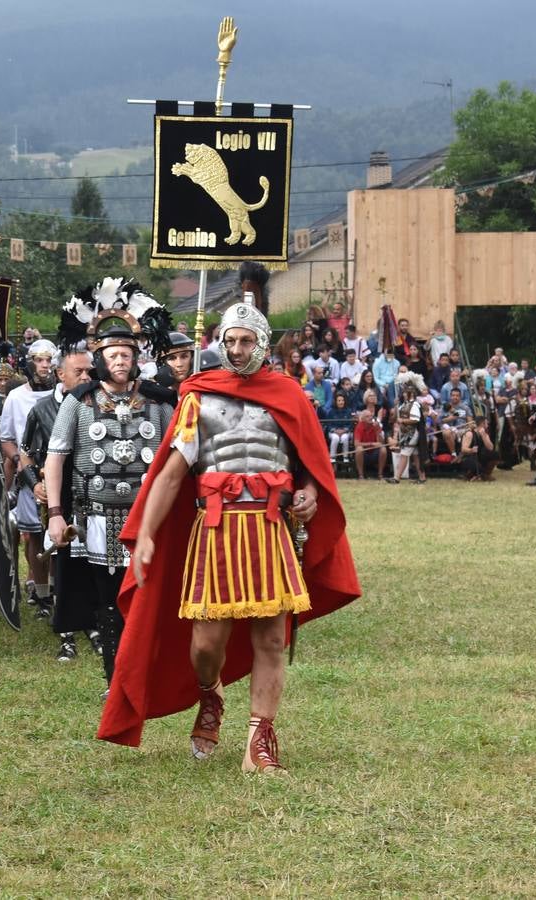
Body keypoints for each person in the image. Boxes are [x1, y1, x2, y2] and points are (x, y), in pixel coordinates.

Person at [101, 296, 360, 774]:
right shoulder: (199, 396)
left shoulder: (289, 395)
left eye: (246, 341)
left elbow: (310, 469)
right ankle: (210, 694)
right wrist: (150, 534)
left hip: (270, 527)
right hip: (217, 531)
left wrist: (308, 495)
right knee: (205, 645)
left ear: (262, 343)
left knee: (270, 639)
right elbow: (171, 474)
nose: (237, 350)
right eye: (230, 341)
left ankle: (260, 740)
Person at [46, 280, 174, 691]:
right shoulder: (77, 401)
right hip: (97, 517)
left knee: (147, 595)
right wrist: (54, 513)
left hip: (148, 515)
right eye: (113, 354)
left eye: (127, 354)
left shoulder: (159, 401)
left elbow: (181, 458)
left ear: (137, 358)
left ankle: (146, 671)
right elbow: (56, 459)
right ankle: (116, 676)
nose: (120, 360)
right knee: (107, 597)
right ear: (98, 359)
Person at [23, 347, 93, 661]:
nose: (86, 376)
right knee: (61, 561)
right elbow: (24, 453)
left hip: (90, 493)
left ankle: (92, 623)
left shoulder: (97, 403)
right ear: (60, 374)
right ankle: (65, 631)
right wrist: (34, 484)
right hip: (56, 496)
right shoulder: (41, 410)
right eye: (78, 371)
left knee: (92, 561)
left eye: (89, 371)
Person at [0, 339, 58, 616]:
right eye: (39, 360)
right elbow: (8, 440)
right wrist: (21, 464)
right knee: (34, 535)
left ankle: (61, 589)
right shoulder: (16, 398)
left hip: (59, 472)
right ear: (29, 362)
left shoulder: (64, 395)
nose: (45, 365)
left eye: (49, 359)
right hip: (29, 475)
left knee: (59, 536)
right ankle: (42, 593)